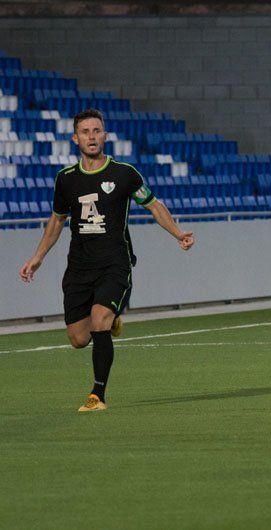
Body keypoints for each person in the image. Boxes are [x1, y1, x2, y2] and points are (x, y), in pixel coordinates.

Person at [19, 108, 194, 412]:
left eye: (97, 131)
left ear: (105, 135)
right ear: (75, 138)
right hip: (79, 267)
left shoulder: (124, 174)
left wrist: (178, 234)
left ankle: (97, 394)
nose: (92, 136)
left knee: (99, 318)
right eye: (85, 132)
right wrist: (38, 257)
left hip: (115, 263)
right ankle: (111, 322)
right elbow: (57, 221)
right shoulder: (66, 179)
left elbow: (153, 205)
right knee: (77, 339)